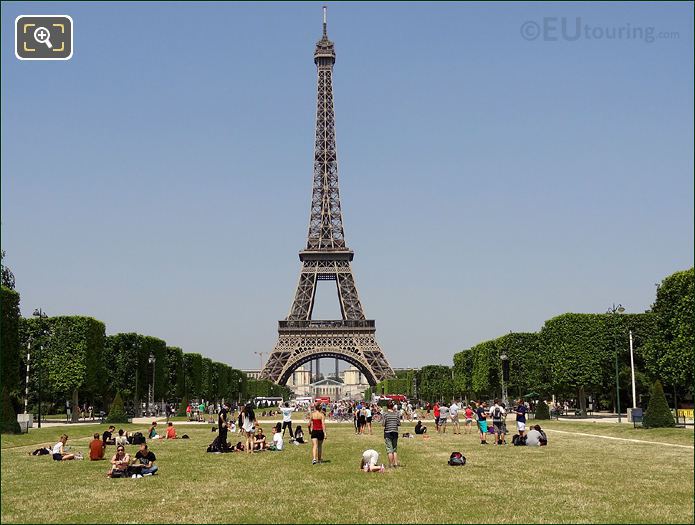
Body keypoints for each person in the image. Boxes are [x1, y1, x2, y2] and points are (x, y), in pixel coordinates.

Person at [382, 402, 400, 468]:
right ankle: (395, 463)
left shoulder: (385, 414)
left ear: (387, 407)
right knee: (394, 449)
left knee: (389, 449)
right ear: (392, 406)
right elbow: (399, 423)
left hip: (388, 432)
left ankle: (391, 464)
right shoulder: (396, 413)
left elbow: (383, 424)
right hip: (395, 432)